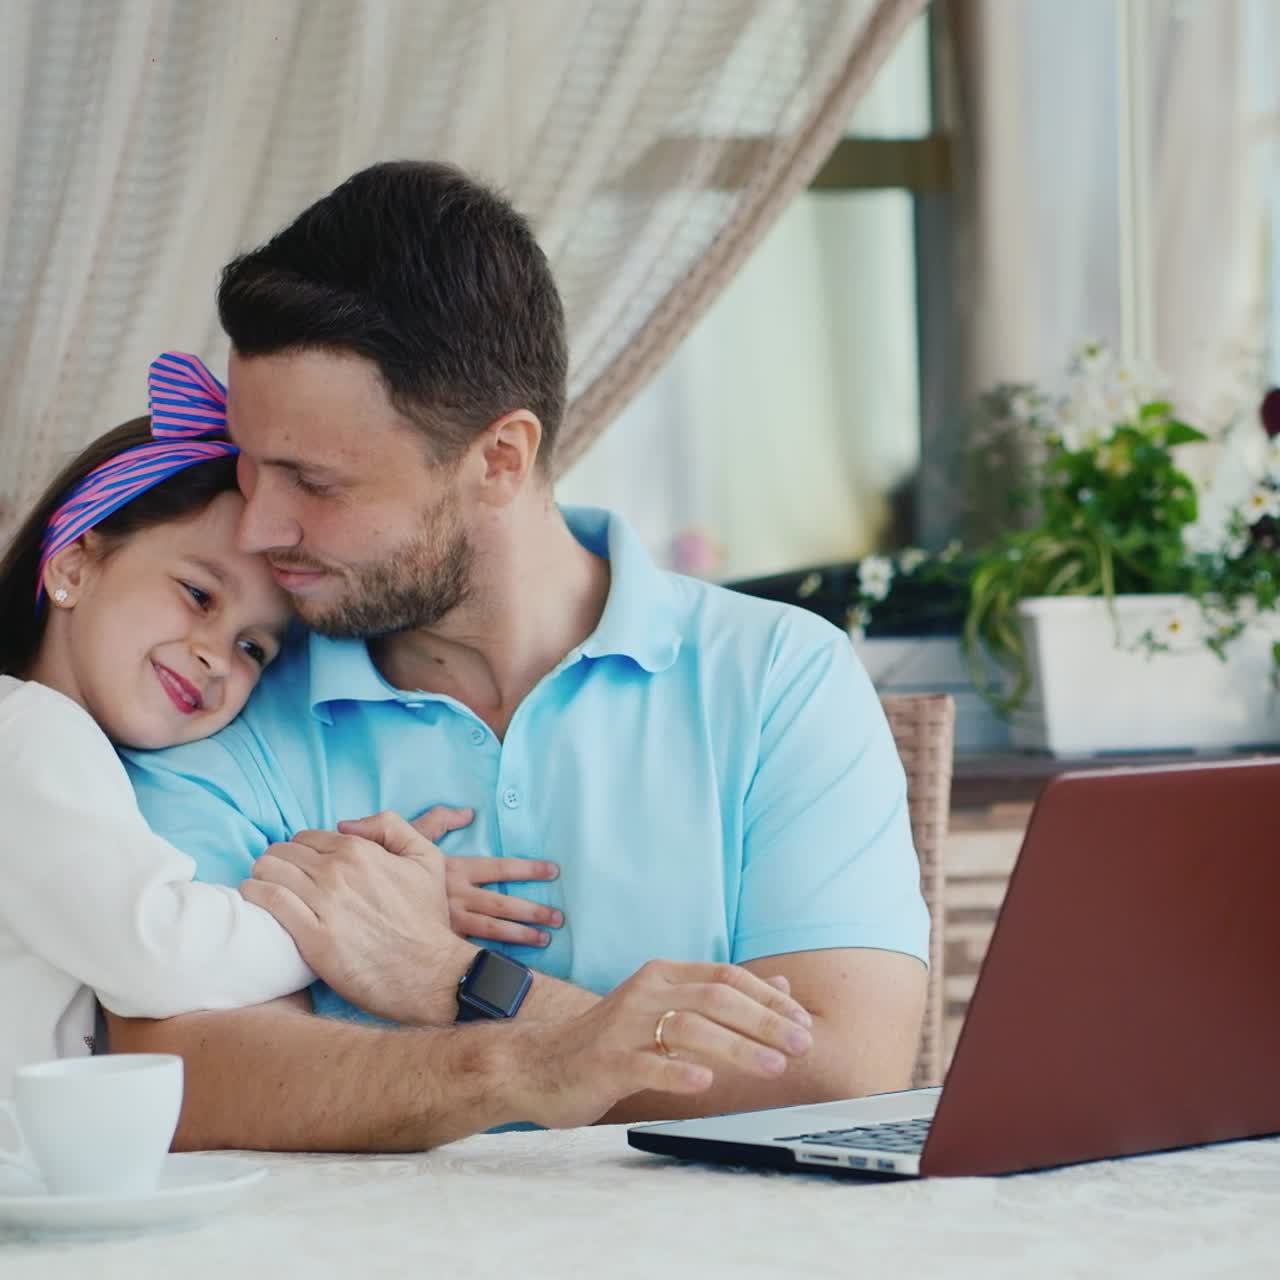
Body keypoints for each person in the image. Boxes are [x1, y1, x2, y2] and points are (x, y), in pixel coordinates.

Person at [108, 161, 929, 1152]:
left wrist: (456, 980)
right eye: (249, 464)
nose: (257, 526)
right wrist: (532, 1058)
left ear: (498, 458)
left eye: (312, 481)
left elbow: (842, 1076)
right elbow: (179, 1067)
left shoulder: (776, 678)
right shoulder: (214, 689)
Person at [0, 362, 476, 1095]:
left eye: (255, 647)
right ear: (72, 562)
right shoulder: (31, 734)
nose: (215, 656)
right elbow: (158, 950)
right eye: (197, 595)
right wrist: (355, 924)